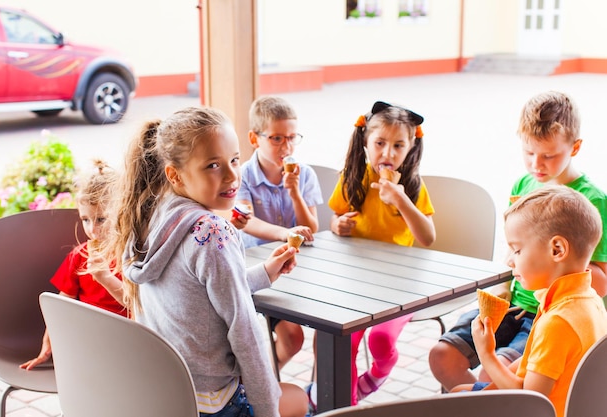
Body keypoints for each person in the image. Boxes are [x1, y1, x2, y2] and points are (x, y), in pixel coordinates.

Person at [109, 106, 308, 417]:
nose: (231, 176)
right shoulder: (212, 232)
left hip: (168, 393)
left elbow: (200, 291)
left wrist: (264, 274)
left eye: (234, 160)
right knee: (300, 401)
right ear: (174, 174)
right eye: (213, 165)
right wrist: (267, 412)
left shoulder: (152, 215)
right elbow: (246, 333)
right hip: (213, 403)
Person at [428, 90, 607, 393]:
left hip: (544, 311)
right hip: (513, 304)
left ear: (575, 147)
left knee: (491, 368)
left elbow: (599, 280)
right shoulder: (523, 184)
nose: (536, 163)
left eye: (548, 155)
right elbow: (515, 248)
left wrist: (551, 271)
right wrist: (504, 281)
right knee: (442, 356)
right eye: (528, 152)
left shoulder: (591, 201)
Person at [304, 100, 435, 412]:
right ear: (365, 142)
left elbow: (428, 238)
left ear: (411, 147)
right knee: (336, 343)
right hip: (356, 283)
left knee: (380, 341)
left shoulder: (412, 186)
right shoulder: (353, 178)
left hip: (400, 285)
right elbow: (335, 219)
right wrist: (338, 225)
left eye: (397, 146)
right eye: (380, 144)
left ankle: (378, 373)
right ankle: (345, 406)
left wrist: (401, 199)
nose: (388, 154)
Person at [451, 185, 607, 417]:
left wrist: (487, 355)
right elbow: (540, 361)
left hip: (544, 409)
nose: (511, 261)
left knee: (454, 402)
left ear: (557, 249)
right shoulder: (588, 300)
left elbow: (532, 400)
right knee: (458, 391)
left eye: (517, 250)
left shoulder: (558, 321)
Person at [232, 95, 323, 371]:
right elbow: (247, 221)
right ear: (254, 138)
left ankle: (282, 387)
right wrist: (285, 233)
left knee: (330, 326)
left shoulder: (303, 174)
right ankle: (261, 385)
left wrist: (294, 192)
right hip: (259, 270)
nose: (287, 146)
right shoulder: (242, 175)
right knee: (293, 338)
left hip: (300, 271)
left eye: (293, 138)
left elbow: (313, 227)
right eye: (277, 138)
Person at [20, 159, 126, 370]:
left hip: (126, 340)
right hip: (89, 340)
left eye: (101, 220)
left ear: (122, 212)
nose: (92, 230)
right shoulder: (79, 256)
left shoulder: (131, 254)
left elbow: (136, 303)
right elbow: (61, 305)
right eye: (86, 220)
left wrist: (106, 278)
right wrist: (47, 343)